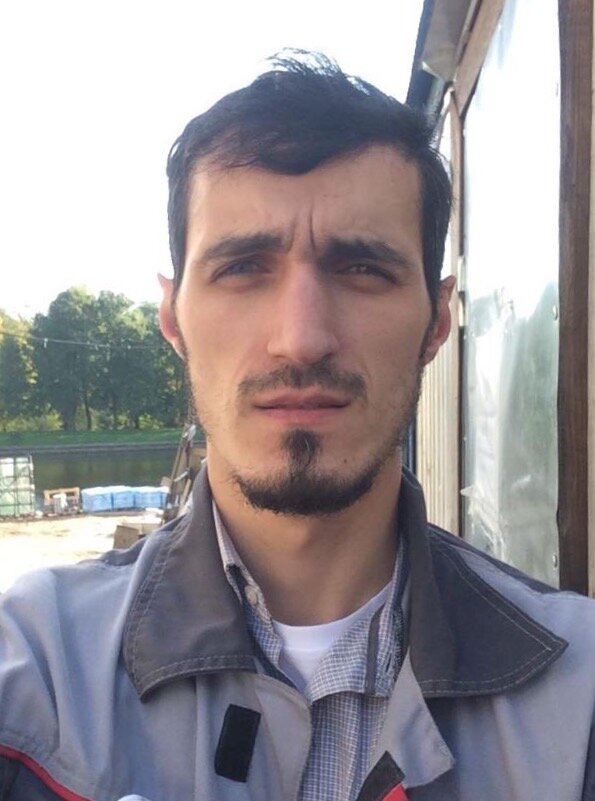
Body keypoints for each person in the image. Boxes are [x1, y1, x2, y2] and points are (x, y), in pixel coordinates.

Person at [1, 53, 595, 801]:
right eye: (243, 267)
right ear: (172, 317)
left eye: (362, 269)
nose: (301, 339)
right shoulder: (34, 674)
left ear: (436, 320)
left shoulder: (579, 699)